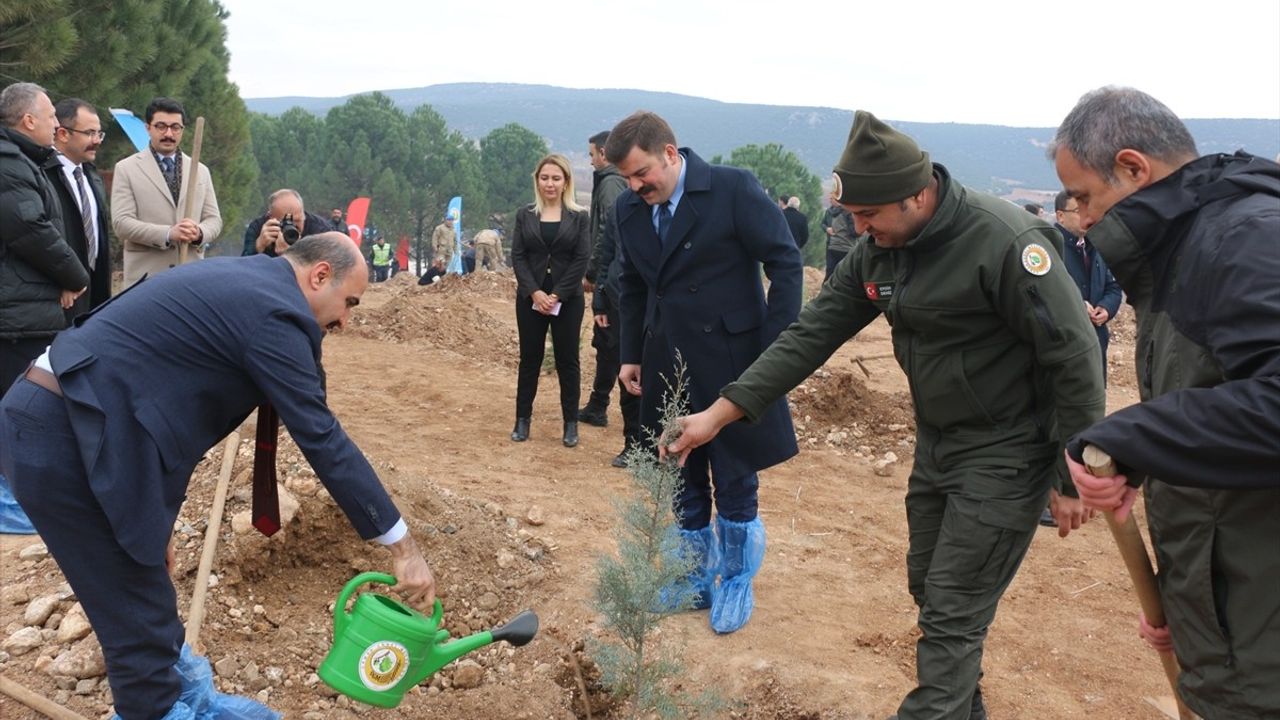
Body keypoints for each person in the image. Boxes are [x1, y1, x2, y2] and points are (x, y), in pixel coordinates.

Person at [665, 111, 1104, 716]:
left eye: (869, 215)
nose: (858, 228)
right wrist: (719, 414)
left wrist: (1074, 469)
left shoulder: (1003, 241)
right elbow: (808, 335)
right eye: (852, 215)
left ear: (918, 195)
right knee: (931, 589)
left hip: (1010, 449)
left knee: (952, 611)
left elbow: (1074, 355)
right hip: (939, 445)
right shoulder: (880, 250)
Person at [0, 232, 435, 719]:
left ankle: (182, 696)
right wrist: (403, 547)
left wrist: (152, 519)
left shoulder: (252, 284)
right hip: (63, 435)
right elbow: (322, 437)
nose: (345, 321)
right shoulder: (275, 315)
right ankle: (154, 709)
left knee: (145, 586)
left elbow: (165, 412)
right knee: (130, 606)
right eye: (349, 302)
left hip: (90, 424)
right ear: (319, 275)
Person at [1052, 86, 1280, 719]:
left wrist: (1133, 438)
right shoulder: (1182, 251)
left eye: (1086, 196)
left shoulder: (1243, 241)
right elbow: (1221, 413)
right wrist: (1190, 612)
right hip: (1237, 619)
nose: (1082, 216)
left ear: (1132, 167)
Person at [605, 111, 802, 634]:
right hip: (665, 359)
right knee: (681, 471)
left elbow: (784, 261)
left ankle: (736, 579)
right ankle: (693, 578)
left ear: (671, 153)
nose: (635, 186)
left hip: (733, 360)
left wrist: (775, 347)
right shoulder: (629, 209)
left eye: (642, 172)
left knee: (734, 473)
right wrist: (630, 353)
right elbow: (632, 284)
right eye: (626, 177)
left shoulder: (732, 189)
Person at [0, 82, 91, 535]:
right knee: (19, 404)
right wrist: (74, 276)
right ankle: (11, 502)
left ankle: (20, 497)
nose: (58, 122)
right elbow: (31, 230)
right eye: (52, 113)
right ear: (28, 120)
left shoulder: (24, 161)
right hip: (16, 316)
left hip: (27, 307)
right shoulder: (8, 163)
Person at [510, 153, 590, 448]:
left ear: (566, 181)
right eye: (545, 178)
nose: (550, 183)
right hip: (530, 297)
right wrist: (535, 292)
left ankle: (570, 424)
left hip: (567, 299)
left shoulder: (580, 216)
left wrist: (557, 294)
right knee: (529, 360)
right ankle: (522, 420)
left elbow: (582, 258)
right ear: (537, 180)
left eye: (556, 178)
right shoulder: (525, 214)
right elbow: (517, 256)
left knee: (568, 361)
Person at [112, 97, 222, 288]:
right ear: (148, 128)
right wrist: (168, 233)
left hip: (190, 279)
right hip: (145, 281)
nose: (168, 134)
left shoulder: (200, 170)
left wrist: (199, 232)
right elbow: (122, 223)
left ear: (182, 130)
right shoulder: (126, 168)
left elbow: (214, 220)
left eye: (175, 127)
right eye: (161, 126)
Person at [579, 130, 639, 464]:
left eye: (592, 154)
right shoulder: (614, 187)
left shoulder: (614, 186)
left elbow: (606, 239)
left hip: (627, 294)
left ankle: (636, 441)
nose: (590, 160)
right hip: (614, 290)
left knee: (623, 357)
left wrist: (594, 276)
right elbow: (608, 242)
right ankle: (600, 406)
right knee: (609, 350)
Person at [42, 97, 112, 322]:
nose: (97, 141)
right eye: (90, 133)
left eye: (99, 134)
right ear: (63, 134)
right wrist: (66, 278)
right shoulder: (42, 173)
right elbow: (42, 237)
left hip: (95, 297)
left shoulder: (91, 176)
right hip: (59, 296)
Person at [1052, 190, 1121, 383]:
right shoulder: (1049, 247)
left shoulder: (1095, 246)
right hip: (1065, 347)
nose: (1086, 215)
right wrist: (1077, 305)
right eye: (1077, 210)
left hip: (1097, 343)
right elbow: (1042, 294)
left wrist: (1106, 308)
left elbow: (1113, 286)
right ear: (1060, 216)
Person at [241, 188, 331, 257]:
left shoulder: (320, 230)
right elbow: (243, 268)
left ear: (303, 214)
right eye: (285, 222)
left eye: (297, 221)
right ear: (270, 217)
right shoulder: (259, 227)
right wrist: (258, 246)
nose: (292, 226)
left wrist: (291, 255)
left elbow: (331, 270)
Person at [821, 202, 856, 280]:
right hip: (846, 247)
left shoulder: (834, 214)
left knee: (830, 273)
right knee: (845, 275)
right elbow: (853, 233)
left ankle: (826, 290)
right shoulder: (849, 213)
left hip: (833, 246)